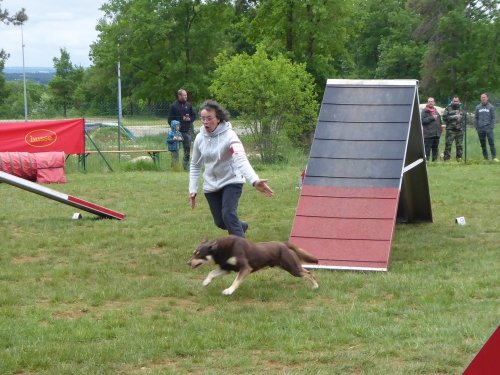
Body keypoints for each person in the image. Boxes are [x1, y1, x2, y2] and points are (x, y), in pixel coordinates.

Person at [188, 100, 274, 237]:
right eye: (203, 119)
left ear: (218, 118)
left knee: (228, 215)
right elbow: (195, 165)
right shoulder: (199, 138)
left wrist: (254, 180)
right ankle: (241, 226)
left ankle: (242, 253)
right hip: (210, 185)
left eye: (209, 118)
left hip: (231, 180)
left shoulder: (230, 136)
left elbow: (241, 159)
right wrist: (192, 189)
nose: (205, 122)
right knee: (221, 222)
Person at [168, 89, 196, 170]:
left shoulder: (189, 105)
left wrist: (189, 119)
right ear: (179, 96)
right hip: (176, 132)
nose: (186, 97)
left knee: (187, 148)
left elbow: (193, 116)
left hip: (186, 131)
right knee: (174, 149)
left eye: (186, 95)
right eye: (184, 95)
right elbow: (169, 120)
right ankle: (175, 166)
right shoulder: (173, 106)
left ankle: (186, 166)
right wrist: (175, 127)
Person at [475, 93, 497, 162]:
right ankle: (486, 158)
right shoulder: (478, 107)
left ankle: (494, 157)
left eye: (484, 97)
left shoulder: (491, 107)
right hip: (480, 128)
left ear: (487, 98)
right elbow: (476, 118)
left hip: (488, 128)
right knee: (483, 144)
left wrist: (491, 127)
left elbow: (493, 118)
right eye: (482, 97)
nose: (483, 99)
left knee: (491, 143)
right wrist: (477, 127)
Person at [443, 96, 466, 162]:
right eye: (454, 101)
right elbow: (444, 117)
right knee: (448, 144)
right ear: (452, 101)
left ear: (459, 101)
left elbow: (465, 117)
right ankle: (447, 159)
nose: (455, 102)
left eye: (457, 101)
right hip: (450, 130)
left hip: (460, 130)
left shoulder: (461, 108)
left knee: (459, 145)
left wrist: (460, 117)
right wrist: (453, 117)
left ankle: (459, 158)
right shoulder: (448, 108)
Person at [421, 97, 442, 162]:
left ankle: (434, 162)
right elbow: (422, 121)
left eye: (432, 101)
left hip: (436, 134)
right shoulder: (424, 111)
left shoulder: (436, 110)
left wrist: (440, 129)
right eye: (429, 101)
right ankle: (426, 162)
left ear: (434, 103)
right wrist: (431, 117)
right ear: (427, 102)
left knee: (435, 149)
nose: (430, 103)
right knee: (427, 149)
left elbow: (439, 121)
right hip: (428, 134)